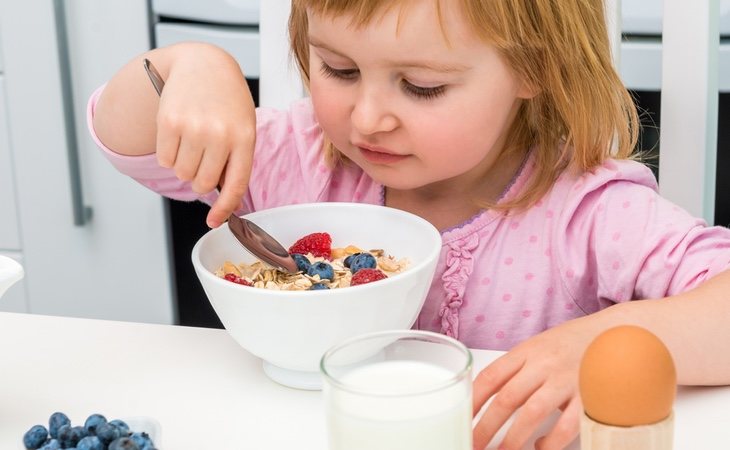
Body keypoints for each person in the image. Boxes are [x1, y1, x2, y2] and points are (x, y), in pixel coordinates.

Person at [88, 0, 730, 448]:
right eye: (338, 70)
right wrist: (185, 68)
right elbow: (124, 138)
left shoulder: (586, 212)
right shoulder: (299, 156)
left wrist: (602, 343)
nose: (367, 119)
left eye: (420, 87)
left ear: (535, 67)